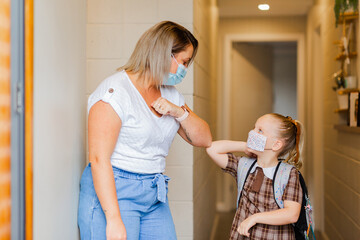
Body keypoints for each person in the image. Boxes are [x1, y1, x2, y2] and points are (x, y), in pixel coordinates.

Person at [78, 21, 212, 240]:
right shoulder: (115, 92)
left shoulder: (170, 94)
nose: (185, 70)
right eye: (184, 62)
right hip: (116, 189)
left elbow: (205, 139)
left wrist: (179, 112)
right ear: (164, 54)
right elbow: (98, 158)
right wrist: (113, 220)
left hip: (154, 192)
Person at [206, 113, 304, 240]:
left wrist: (255, 218)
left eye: (260, 130)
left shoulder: (288, 174)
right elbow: (212, 149)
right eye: (254, 127)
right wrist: (245, 146)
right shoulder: (244, 165)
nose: (252, 132)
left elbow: (292, 214)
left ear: (276, 145)